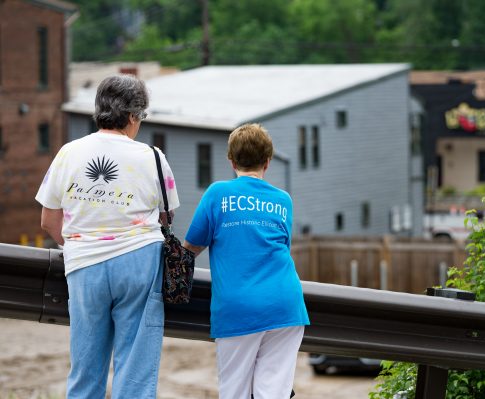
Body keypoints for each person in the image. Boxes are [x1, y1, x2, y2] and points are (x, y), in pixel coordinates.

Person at [35, 75, 179, 399]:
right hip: (139, 261)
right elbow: (167, 216)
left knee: (85, 369)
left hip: (84, 264)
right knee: (135, 369)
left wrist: (76, 244)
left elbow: (48, 219)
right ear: (132, 117)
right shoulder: (153, 157)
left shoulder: (68, 153)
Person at [184, 123, 309, 399]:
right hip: (285, 305)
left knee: (234, 392)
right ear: (268, 161)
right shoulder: (283, 200)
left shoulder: (217, 194)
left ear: (231, 161)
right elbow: (281, 246)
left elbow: (190, 248)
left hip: (237, 307)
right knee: (273, 393)